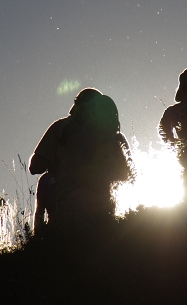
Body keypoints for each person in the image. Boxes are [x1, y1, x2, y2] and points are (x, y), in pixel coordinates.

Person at [29, 88, 132, 227]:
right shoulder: (115, 136)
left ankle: (39, 240)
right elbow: (128, 176)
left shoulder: (61, 126)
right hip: (105, 206)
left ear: (77, 104)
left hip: (68, 205)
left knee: (45, 180)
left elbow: (35, 167)